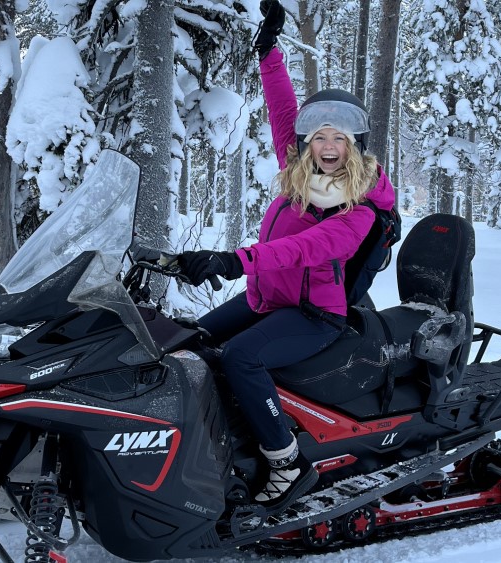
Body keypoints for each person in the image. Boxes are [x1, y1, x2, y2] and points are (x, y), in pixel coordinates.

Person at [175, 0, 397, 514]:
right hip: (269, 298)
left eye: (339, 137)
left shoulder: (359, 204)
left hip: (314, 315)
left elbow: (314, 247)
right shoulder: (300, 173)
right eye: (319, 135)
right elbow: (281, 111)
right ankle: (217, 435)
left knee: (239, 357)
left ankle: (285, 460)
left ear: (354, 144)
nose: (327, 145)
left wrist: (237, 261)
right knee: (193, 341)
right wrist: (269, 51)